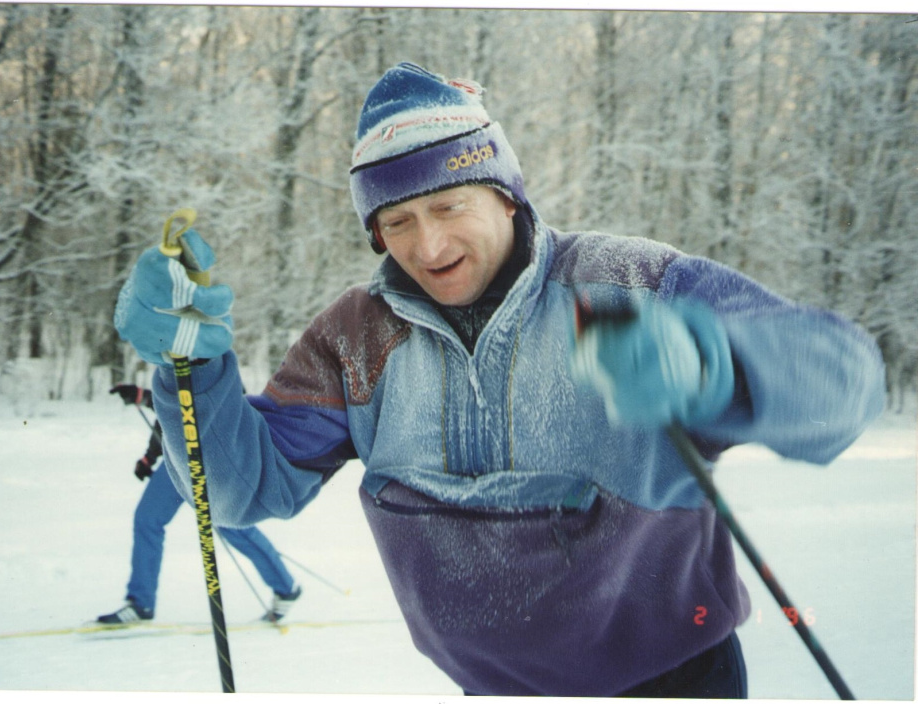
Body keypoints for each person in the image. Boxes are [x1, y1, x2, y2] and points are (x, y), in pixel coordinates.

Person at [112, 62, 886, 696]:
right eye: (398, 221)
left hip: (674, 679)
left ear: (506, 195)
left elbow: (844, 388)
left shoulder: (628, 286)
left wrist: (714, 365)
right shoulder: (355, 336)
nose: (428, 243)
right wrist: (193, 368)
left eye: (449, 205)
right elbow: (245, 490)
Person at [96, 383, 301, 625]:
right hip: (177, 458)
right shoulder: (168, 359)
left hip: (211, 460)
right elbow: (172, 411)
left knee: (232, 526)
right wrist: (150, 455)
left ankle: (285, 587)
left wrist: (147, 397)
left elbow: (215, 403)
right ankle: (141, 604)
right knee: (148, 518)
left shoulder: (214, 356)